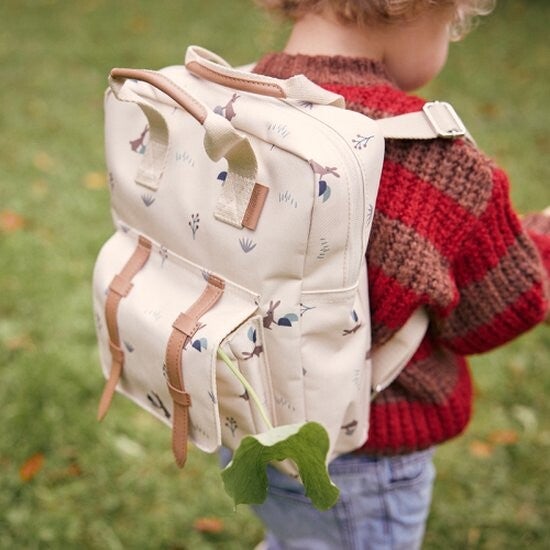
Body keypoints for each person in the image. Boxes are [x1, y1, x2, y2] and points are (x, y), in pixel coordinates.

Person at [243, 1, 550, 548]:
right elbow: (495, 314)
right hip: (361, 456)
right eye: (454, 24)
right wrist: (541, 245)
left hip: (241, 408)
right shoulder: (432, 159)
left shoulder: (234, 98)